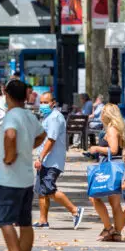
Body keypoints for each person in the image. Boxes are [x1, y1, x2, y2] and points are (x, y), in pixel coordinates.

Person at [0, 80, 46, 251]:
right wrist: (28, 147)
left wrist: (9, 156)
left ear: (6, 94)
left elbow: (11, 134)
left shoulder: (12, 116)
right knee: (24, 223)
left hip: (10, 178)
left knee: (5, 221)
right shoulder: (29, 116)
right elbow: (42, 135)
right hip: (25, 178)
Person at [33, 93, 85, 229]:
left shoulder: (55, 118)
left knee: (49, 189)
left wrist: (40, 157)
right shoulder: (48, 117)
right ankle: (43, 221)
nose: (43, 105)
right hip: (46, 160)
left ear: (53, 103)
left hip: (52, 160)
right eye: (41, 102)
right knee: (41, 190)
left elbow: (51, 140)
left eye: (46, 102)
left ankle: (75, 210)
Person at [87, 103, 125, 242]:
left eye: (103, 112)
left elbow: (114, 149)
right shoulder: (119, 129)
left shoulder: (111, 129)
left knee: (94, 197)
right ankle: (117, 233)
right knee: (115, 203)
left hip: (109, 167)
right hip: (117, 167)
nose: (101, 115)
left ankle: (108, 227)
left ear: (107, 114)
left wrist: (97, 148)